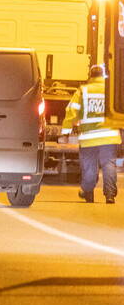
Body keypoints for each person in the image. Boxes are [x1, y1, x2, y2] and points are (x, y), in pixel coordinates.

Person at [61, 64, 120, 204]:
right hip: (109, 136)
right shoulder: (111, 91)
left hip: (89, 138)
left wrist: (65, 132)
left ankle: (88, 192)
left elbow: (71, 111)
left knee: (89, 167)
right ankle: (110, 195)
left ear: (90, 75)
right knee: (109, 165)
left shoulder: (83, 91)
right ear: (103, 75)